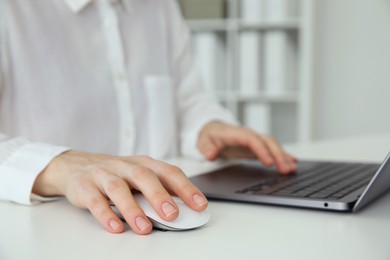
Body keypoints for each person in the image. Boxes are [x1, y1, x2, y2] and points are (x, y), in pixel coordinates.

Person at [0, 0, 296, 235]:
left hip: (163, 224)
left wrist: (207, 128)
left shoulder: (160, 6)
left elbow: (188, 100)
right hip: (46, 231)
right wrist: (57, 167)